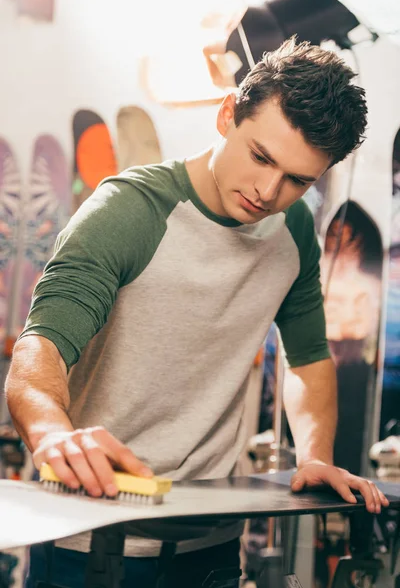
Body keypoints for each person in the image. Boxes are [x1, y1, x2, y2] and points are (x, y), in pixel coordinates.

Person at [5, 36, 389, 588]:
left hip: (210, 543)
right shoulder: (130, 211)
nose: (268, 190)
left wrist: (315, 455)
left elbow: (307, 360)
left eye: (298, 180)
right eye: (261, 157)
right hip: (92, 538)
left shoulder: (295, 231)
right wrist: (51, 435)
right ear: (228, 114)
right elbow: (40, 349)